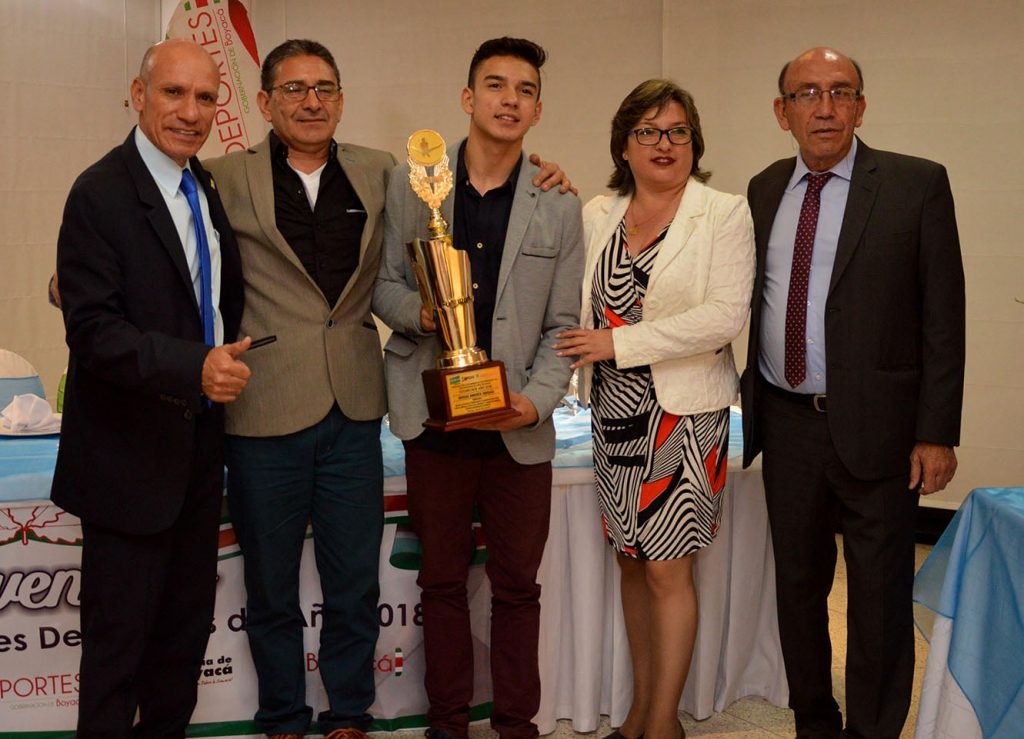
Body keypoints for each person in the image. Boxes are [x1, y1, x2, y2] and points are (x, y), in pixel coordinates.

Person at [203, 38, 572, 739]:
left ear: (342, 100)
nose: (312, 101)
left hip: (361, 406)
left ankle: (349, 713)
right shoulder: (224, 176)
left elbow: (553, 310)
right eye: (295, 89)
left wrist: (542, 169)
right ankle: (283, 717)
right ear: (266, 102)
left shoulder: (383, 172)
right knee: (272, 584)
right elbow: (165, 228)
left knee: (355, 581)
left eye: (325, 88)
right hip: (272, 403)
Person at [740, 47, 965, 739]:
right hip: (787, 424)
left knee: (879, 597)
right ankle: (815, 721)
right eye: (807, 93)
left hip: (883, 429)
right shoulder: (763, 189)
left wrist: (936, 431)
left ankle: (872, 731)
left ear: (861, 107)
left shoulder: (915, 184)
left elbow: (944, 316)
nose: (825, 107)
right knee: (798, 588)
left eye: (841, 92)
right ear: (782, 112)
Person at [373, 37, 584, 739]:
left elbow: (562, 324)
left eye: (525, 90)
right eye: (495, 85)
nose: (509, 100)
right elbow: (383, 286)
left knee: (518, 586)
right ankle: (448, 724)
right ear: (468, 98)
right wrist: (425, 312)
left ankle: (517, 724)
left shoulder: (559, 203)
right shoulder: (412, 186)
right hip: (434, 417)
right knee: (440, 582)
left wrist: (537, 400)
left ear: (538, 109)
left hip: (517, 423)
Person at [52, 39, 250, 737]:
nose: (191, 112)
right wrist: (193, 366)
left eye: (205, 97)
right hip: (125, 465)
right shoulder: (99, 193)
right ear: (139, 96)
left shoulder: (205, 186)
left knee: (179, 649)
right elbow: (93, 333)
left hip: (197, 454)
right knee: (117, 659)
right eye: (174, 93)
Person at [554, 80, 754, 739]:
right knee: (632, 561)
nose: (663, 144)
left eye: (677, 131)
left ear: (694, 142)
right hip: (613, 412)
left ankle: (664, 722)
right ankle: (641, 710)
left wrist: (619, 343)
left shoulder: (722, 213)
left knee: (668, 568)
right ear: (624, 145)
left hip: (684, 418)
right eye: (647, 131)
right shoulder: (598, 212)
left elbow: (724, 317)